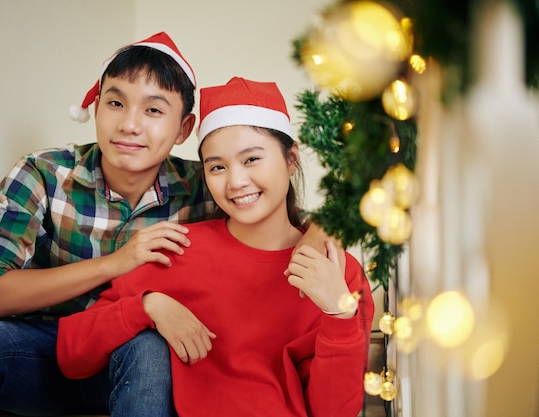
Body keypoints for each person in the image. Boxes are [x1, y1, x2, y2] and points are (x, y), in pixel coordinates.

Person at [0, 33, 337, 417]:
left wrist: (317, 235)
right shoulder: (46, 173)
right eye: (116, 103)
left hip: (145, 364)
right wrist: (115, 264)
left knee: (148, 346)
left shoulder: (205, 184)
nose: (129, 125)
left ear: (183, 129)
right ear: (96, 107)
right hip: (42, 350)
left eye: (154, 110)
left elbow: (272, 206)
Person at [57, 77, 375, 417]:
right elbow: (72, 353)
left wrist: (338, 315)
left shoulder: (336, 271)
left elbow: (334, 412)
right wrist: (147, 307)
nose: (236, 181)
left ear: (291, 159)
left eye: (252, 159)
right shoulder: (177, 249)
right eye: (218, 167)